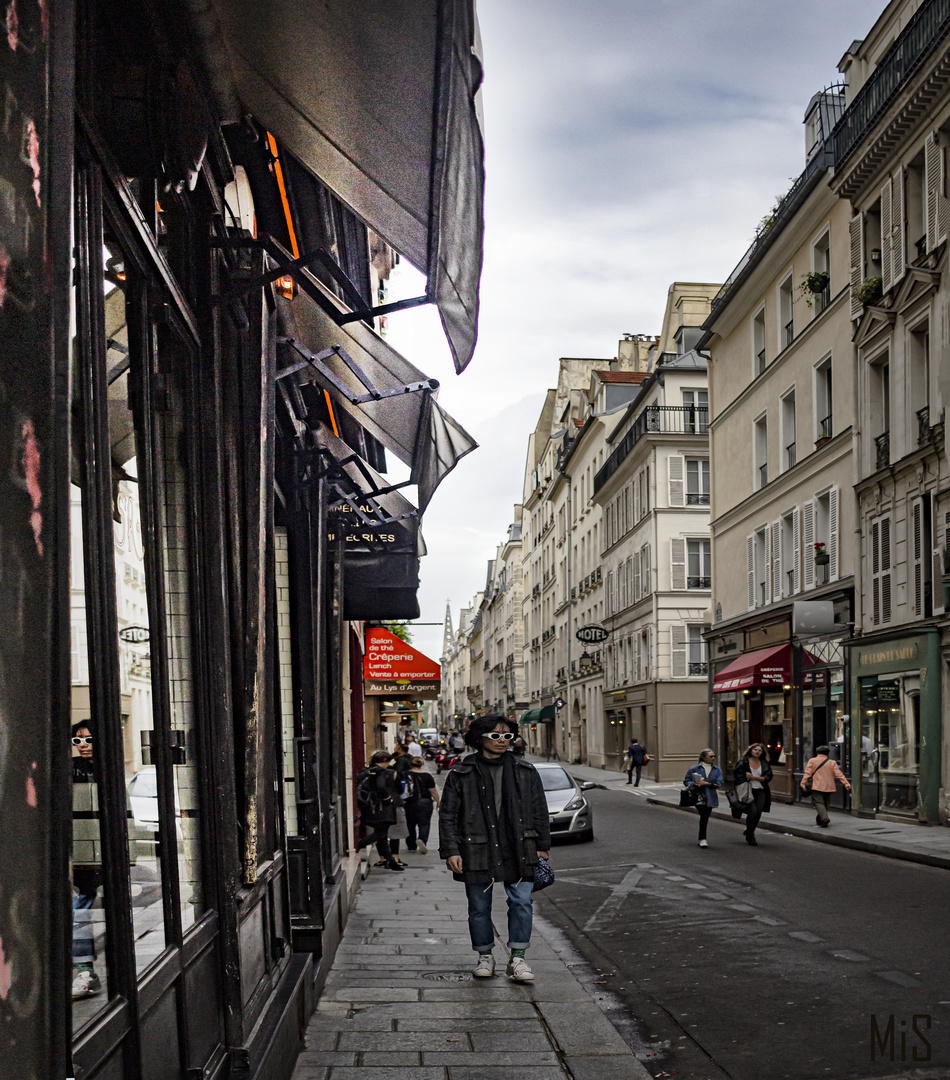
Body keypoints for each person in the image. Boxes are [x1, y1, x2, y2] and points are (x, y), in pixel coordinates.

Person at [439, 715, 551, 983]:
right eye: (495, 736)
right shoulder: (460, 773)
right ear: (480, 739)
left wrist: (542, 846)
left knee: (522, 902)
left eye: (507, 736)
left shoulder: (526, 771)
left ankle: (518, 958)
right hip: (477, 849)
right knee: (478, 906)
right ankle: (485, 955)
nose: (502, 741)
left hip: (519, 846)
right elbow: (447, 815)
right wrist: (451, 850)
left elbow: (539, 810)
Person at [71, 721, 103, 1000]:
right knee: (80, 909)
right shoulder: (69, 769)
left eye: (88, 739)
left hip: (102, 854)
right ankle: (84, 969)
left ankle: (86, 970)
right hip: (81, 855)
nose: (82, 745)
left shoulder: (108, 769)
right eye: (77, 740)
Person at [356, 751, 405, 871]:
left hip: (368, 807)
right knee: (380, 833)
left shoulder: (364, 772)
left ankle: (391, 861)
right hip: (382, 808)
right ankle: (358, 845)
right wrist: (387, 797)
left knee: (381, 836)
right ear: (384, 761)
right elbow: (381, 786)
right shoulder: (383, 772)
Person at [801, 745, 851, 828]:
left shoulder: (812, 761)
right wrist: (846, 784)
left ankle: (824, 818)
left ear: (817, 753)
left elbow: (807, 773)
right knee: (825, 803)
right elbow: (839, 774)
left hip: (816, 786)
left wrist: (803, 783)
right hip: (829, 786)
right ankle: (820, 820)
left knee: (818, 803)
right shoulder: (832, 762)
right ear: (828, 753)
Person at [733, 742, 773, 846]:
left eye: (759, 750)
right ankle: (751, 835)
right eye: (755, 750)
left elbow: (768, 777)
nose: (757, 752)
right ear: (751, 750)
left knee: (758, 812)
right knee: (752, 811)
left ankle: (750, 831)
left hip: (761, 790)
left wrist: (754, 778)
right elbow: (738, 776)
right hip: (747, 790)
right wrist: (745, 781)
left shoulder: (764, 763)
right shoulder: (743, 763)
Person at [684, 749, 722, 848]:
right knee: (704, 816)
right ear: (704, 757)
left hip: (710, 796)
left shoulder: (717, 770)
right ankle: (702, 839)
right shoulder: (694, 768)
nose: (713, 758)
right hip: (698, 795)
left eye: (714, 756)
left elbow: (720, 783)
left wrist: (707, 783)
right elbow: (686, 780)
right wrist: (693, 784)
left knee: (705, 816)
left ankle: (702, 838)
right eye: (711, 756)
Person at [404, 757, 440, 853]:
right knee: (424, 823)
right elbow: (433, 791)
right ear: (421, 765)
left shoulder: (405, 775)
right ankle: (422, 840)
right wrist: (438, 802)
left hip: (410, 802)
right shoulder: (427, 776)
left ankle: (411, 846)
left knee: (410, 824)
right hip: (425, 802)